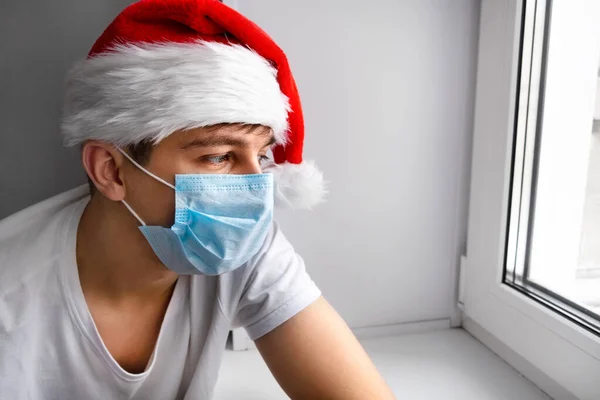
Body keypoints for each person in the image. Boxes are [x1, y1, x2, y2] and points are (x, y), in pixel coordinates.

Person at [0, 0, 395, 399]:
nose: (256, 191)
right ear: (111, 170)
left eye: (261, 156)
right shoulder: (11, 304)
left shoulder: (242, 244)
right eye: (219, 157)